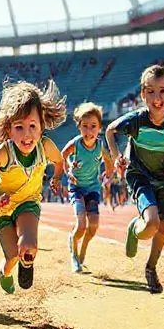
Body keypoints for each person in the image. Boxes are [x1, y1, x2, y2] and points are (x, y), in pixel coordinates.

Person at [106, 65, 164, 294]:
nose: (158, 98)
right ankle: (134, 229)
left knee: (163, 229)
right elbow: (110, 131)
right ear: (143, 95)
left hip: (161, 177)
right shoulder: (136, 121)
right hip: (138, 175)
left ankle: (151, 268)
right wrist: (117, 157)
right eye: (152, 92)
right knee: (152, 224)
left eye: (162, 91)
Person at [0, 80, 65, 294]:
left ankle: (27, 260)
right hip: (2, 210)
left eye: (32, 126)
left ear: (42, 125)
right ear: (9, 129)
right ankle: (5, 271)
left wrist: (56, 178)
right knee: (11, 256)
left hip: (28, 203)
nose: (27, 135)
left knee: (29, 244)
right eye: (19, 127)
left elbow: (60, 162)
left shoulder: (46, 147)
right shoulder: (5, 152)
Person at [60, 102, 114, 273]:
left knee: (94, 226)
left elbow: (108, 160)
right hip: (76, 188)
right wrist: (68, 170)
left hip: (92, 189)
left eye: (93, 127)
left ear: (99, 128)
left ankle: (82, 251)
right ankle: (74, 251)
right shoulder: (75, 144)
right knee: (81, 224)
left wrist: (108, 173)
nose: (89, 131)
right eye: (85, 126)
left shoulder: (100, 145)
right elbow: (63, 155)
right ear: (79, 127)